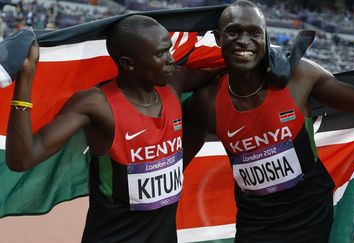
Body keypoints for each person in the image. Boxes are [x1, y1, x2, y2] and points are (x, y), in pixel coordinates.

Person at [183, 1, 354, 242]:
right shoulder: (206, 103)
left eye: (254, 33)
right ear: (218, 38)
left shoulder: (301, 77)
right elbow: (175, 166)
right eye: (233, 32)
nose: (244, 41)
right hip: (255, 223)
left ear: (265, 37)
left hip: (309, 215)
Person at [6, 15, 218, 242]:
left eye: (169, 49)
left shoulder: (174, 83)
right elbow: (22, 160)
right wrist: (26, 78)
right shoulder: (96, 104)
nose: (171, 59)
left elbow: (228, 70)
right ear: (128, 63)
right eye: (160, 54)